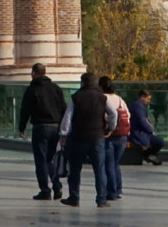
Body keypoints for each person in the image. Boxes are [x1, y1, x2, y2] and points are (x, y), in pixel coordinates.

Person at [56, 71, 117, 208]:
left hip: (78, 137)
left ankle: (74, 197)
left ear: (82, 83)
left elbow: (68, 117)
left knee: (75, 170)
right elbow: (113, 113)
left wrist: (63, 134)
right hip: (97, 137)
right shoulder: (102, 98)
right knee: (99, 169)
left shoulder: (76, 97)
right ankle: (101, 199)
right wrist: (109, 128)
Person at [18, 62, 67, 200]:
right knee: (50, 159)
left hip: (40, 127)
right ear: (45, 73)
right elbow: (64, 108)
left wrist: (21, 127)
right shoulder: (55, 88)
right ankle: (57, 186)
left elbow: (25, 110)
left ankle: (45, 190)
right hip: (55, 127)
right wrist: (63, 128)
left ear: (33, 73)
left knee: (41, 160)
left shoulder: (32, 89)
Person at [100, 77, 130, 201]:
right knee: (116, 164)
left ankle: (111, 192)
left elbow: (107, 115)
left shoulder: (103, 99)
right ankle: (118, 190)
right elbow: (128, 115)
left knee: (109, 164)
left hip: (109, 135)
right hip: (122, 135)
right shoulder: (119, 99)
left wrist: (109, 128)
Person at [127, 88, 165, 165]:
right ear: (142, 97)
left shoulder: (135, 104)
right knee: (160, 142)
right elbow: (142, 121)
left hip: (139, 131)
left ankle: (149, 155)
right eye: (148, 99)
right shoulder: (137, 106)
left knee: (157, 140)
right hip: (138, 133)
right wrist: (150, 131)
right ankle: (147, 154)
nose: (148, 101)